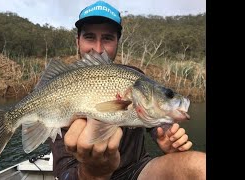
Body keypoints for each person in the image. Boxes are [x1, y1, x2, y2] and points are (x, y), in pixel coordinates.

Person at [50, 1, 206, 180]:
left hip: (137, 171)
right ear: (77, 40)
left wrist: (164, 136)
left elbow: (151, 121)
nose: (98, 49)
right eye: (90, 37)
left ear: (117, 42)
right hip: (83, 175)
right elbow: (65, 173)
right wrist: (93, 172)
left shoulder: (135, 78)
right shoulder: (58, 86)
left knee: (200, 167)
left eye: (107, 38)